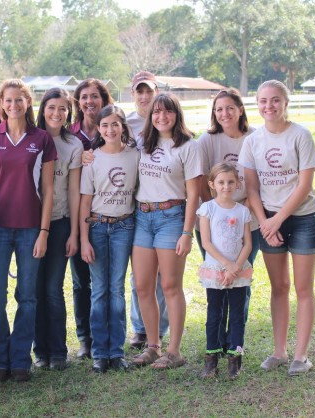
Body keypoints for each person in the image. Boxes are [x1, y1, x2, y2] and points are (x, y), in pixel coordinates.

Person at [0, 79, 56, 382]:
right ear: (1, 103)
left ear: (28, 102)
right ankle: (0, 360)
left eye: (19, 100)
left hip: (30, 229)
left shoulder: (42, 139)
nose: (13, 105)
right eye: (8, 100)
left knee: (28, 297)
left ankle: (20, 359)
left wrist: (44, 231)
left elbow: (48, 191)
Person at [239, 80, 315, 376]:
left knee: (302, 287)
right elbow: (251, 188)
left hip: (301, 218)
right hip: (268, 219)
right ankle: (279, 352)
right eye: (263, 101)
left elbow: (304, 184)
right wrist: (265, 222)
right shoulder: (253, 141)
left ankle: (301, 355)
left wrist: (277, 219)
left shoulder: (300, 135)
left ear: (285, 103)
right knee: (279, 287)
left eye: (275, 100)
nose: (268, 106)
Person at [131, 93, 201, 369]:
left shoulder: (187, 146)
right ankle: (152, 346)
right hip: (142, 216)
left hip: (172, 217)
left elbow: (194, 194)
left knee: (170, 285)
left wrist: (187, 232)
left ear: (176, 115)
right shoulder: (141, 142)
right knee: (142, 285)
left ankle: (174, 351)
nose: (162, 117)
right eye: (157, 112)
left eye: (168, 112)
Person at [196, 88, 259, 353]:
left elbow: (262, 179)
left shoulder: (255, 137)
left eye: (230, 108)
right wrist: (218, 208)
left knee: (240, 278)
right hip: (213, 224)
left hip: (248, 219)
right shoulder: (208, 140)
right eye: (219, 109)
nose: (225, 113)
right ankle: (217, 341)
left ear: (240, 109)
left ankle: (235, 342)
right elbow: (200, 181)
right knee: (219, 278)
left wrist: (242, 206)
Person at [80, 105, 139, 373]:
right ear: (99, 129)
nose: (110, 130)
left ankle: (117, 352)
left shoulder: (134, 156)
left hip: (124, 226)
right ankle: (99, 353)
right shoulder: (93, 159)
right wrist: (84, 239)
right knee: (99, 290)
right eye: (105, 126)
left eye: (115, 124)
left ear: (123, 127)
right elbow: (85, 201)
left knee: (117, 290)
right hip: (97, 226)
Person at [33, 88, 83, 371]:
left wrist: (74, 232)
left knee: (52, 289)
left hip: (60, 222)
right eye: (52, 107)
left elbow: (74, 191)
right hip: (29, 225)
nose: (56, 113)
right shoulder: (30, 139)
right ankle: (39, 350)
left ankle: (58, 351)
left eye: (63, 109)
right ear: (43, 109)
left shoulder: (72, 145)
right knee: (32, 291)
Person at [125, 71, 170, 349]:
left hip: (164, 207)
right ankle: (140, 328)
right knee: (139, 274)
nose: (144, 97)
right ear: (133, 95)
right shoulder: (126, 122)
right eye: (139, 92)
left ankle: (160, 328)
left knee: (163, 275)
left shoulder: (167, 122)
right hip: (133, 204)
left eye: (149, 91)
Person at [70, 78, 114, 358]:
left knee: (109, 280)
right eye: (84, 97)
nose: (90, 101)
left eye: (95, 96)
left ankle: (108, 333)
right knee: (80, 281)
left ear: (104, 99)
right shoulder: (68, 135)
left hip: (108, 214)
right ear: (77, 102)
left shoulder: (112, 131)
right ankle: (85, 337)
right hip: (75, 214)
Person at [197, 162, 253, 379]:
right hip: (216, 270)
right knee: (214, 315)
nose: (226, 186)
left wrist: (236, 267)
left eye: (231, 182)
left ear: (237, 183)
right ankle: (211, 359)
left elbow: (247, 243)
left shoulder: (243, 211)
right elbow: (206, 242)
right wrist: (226, 266)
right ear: (212, 184)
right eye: (221, 182)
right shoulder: (208, 209)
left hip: (238, 272)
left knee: (238, 316)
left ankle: (235, 358)